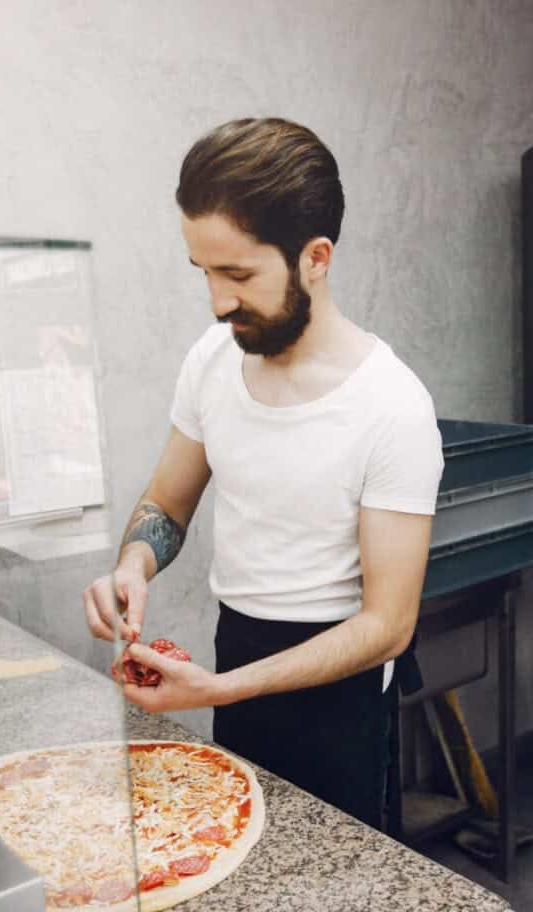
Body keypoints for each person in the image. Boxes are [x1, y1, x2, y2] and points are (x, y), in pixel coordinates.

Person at [83, 117, 444, 829]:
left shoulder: (394, 407)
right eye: (205, 273)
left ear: (315, 257)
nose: (217, 302)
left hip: (338, 693)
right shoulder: (210, 362)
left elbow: (387, 626)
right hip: (234, 649)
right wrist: (133, 565)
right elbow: (167, 502)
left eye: (238, 274)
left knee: (343, 907)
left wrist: (218, 691)